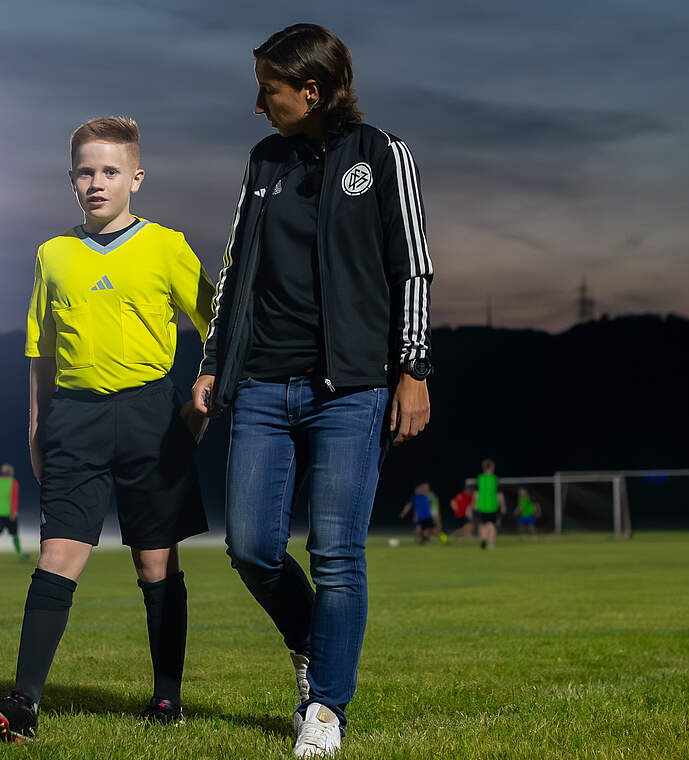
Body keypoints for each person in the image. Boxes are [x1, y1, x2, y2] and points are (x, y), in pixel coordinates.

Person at [190, 24, 433, 758]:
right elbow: (236, 272)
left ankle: (325, 709)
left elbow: (412, 268)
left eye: (270, 89)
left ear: (313, 91)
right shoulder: (263, 161)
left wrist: (413, 368)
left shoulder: (382, 156)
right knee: (251, 546)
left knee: (336, 555)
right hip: (263, 382)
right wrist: (212, 364)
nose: (259, 105)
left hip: (351, 389)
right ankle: (311, 643)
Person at [0, 116, 216, 742]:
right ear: (71, 179)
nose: (97, 182)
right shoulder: (52, 256)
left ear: (136, 176)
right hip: (73, 419)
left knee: (154, 565)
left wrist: (201, 396)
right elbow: (41, 351)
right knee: (58, 555)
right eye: (85, 171)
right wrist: (36, 426)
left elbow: (219, 325)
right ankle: (23, 704)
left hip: (151, 418)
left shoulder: (166, 245)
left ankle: (166, 699)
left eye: (110, 171)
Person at [0, 465, 25, 559]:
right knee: (15, 534)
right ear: (10, 472)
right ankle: (20, 555)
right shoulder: (13, 482)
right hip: (9, 513)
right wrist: (13, 512)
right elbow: (14, 498)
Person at [473, 459, 505, 550]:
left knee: (483, 524)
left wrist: (475, 503)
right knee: (491, 525)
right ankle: (490, 544)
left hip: (481, 505)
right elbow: (499, 494)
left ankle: (483, 538)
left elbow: (476, 493)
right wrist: (502, 505)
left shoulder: (479, 478)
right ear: (492, 467)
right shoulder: (495, 479)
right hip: (492, 505)